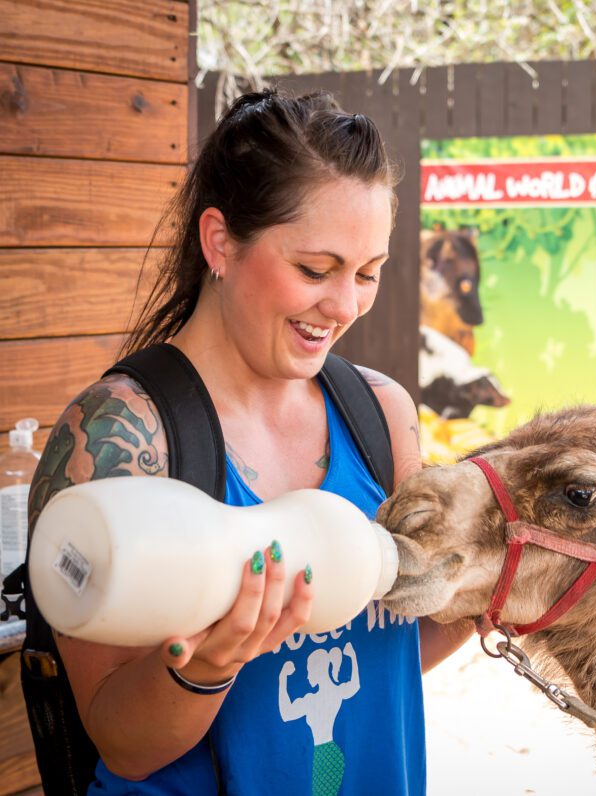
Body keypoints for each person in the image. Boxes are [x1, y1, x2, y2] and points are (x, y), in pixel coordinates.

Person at [25, 88, 471, 794]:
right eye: (315, 270)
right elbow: (120, 741)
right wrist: (205, 668)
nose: (345, 305)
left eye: (368, 274)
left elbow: (384, 658)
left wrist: (494, 595)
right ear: (220, 242)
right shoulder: (118, 439)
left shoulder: (381, 415)